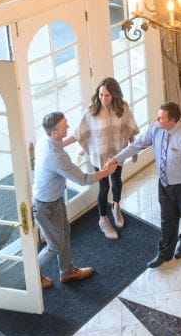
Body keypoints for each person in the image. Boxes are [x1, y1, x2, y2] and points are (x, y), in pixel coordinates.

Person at [33, 111, 118, 288]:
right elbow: (83, 179)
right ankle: (31, 274)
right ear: (54, 132)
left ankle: (67, 271)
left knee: (65, 235)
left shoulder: (45, 140)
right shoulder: (57, 156)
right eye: (64, 125)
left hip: (54, 201)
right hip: (45, 206)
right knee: (55, 245)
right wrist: (106, 172)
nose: (68, 126)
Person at [112, 102, 181, 268]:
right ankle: (165, 253)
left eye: (161, 118)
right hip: (164, 183)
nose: (157, 120)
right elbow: (137, 144)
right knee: (167, 218)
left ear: (173, 120)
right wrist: (116, 159)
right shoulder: (156, 128)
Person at [68, 77, 139, 240]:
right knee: (104, 187)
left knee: (117, 181)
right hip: (98, 157)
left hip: (117, 153)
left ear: (114, 95)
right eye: (101, 95)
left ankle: (116, 207)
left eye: (107, 95)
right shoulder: (92, 111)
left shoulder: (123, 107)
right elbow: (79, 133)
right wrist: (59, 143)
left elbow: (129, 129)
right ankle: (103, 219)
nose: (103, 99)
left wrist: (133, 151)